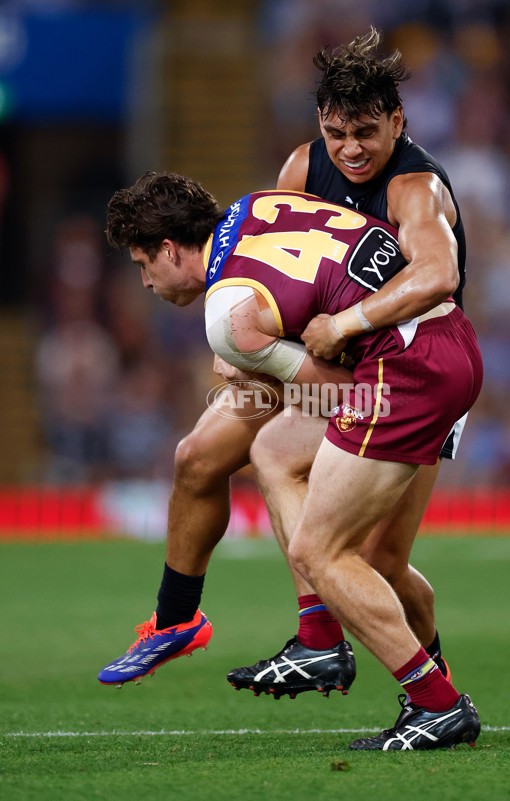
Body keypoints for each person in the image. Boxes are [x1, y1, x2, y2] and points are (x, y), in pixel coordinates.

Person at [97, 28, 460, 699]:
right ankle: (183, 620)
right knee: (198, 455)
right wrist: (240, 347)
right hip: (319, 356)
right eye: (335, 132)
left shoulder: (417, 190)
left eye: (366, 132)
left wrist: (335, 328)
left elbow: (438, 275)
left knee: (378, 558)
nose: (349, 149)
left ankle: (434, 688)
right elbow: (260, 265)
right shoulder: (303, 168)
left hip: (400, 365)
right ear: (318, 125)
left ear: (398, 122)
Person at [102, 171, 483, 751]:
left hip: (410, 372)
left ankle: (439, 706)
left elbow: (335, 390)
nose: (146, 282)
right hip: (449, 333)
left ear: (170, 250)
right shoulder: (258, 203)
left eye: (141, 264)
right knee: (274, 450)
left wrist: (254, 363)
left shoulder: (227, 312)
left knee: (321, 551)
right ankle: (320, 640)